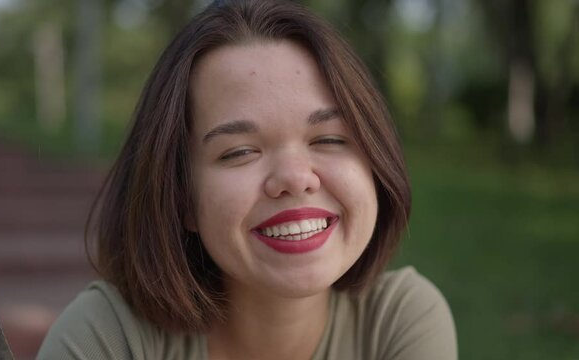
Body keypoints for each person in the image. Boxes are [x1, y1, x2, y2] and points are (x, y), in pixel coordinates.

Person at [37, 0, 457, 359]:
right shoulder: (107, 337)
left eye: (329, 138)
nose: (295, 178)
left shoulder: (399, 321)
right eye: (239, 151)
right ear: (182, 199)